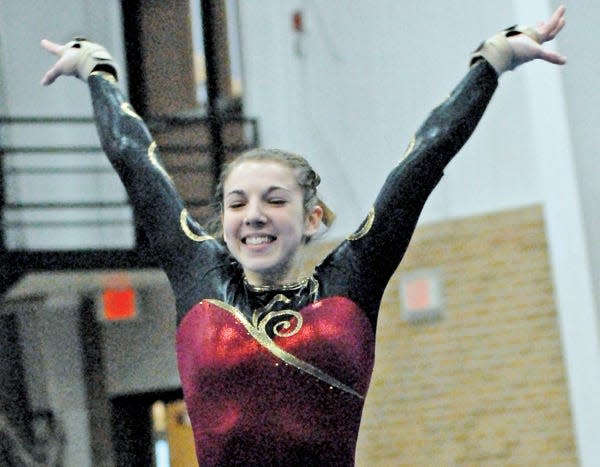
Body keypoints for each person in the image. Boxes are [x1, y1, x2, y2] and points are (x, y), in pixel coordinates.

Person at [41, 6, 566, 466]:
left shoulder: (350, 282)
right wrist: (98, 69)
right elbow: (137, 162)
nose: (254, 215)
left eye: (275, 200)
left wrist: (491, 61)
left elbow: (421, 165)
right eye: (238, 202)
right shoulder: (197, 275)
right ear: (222, 219)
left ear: (312, 217)